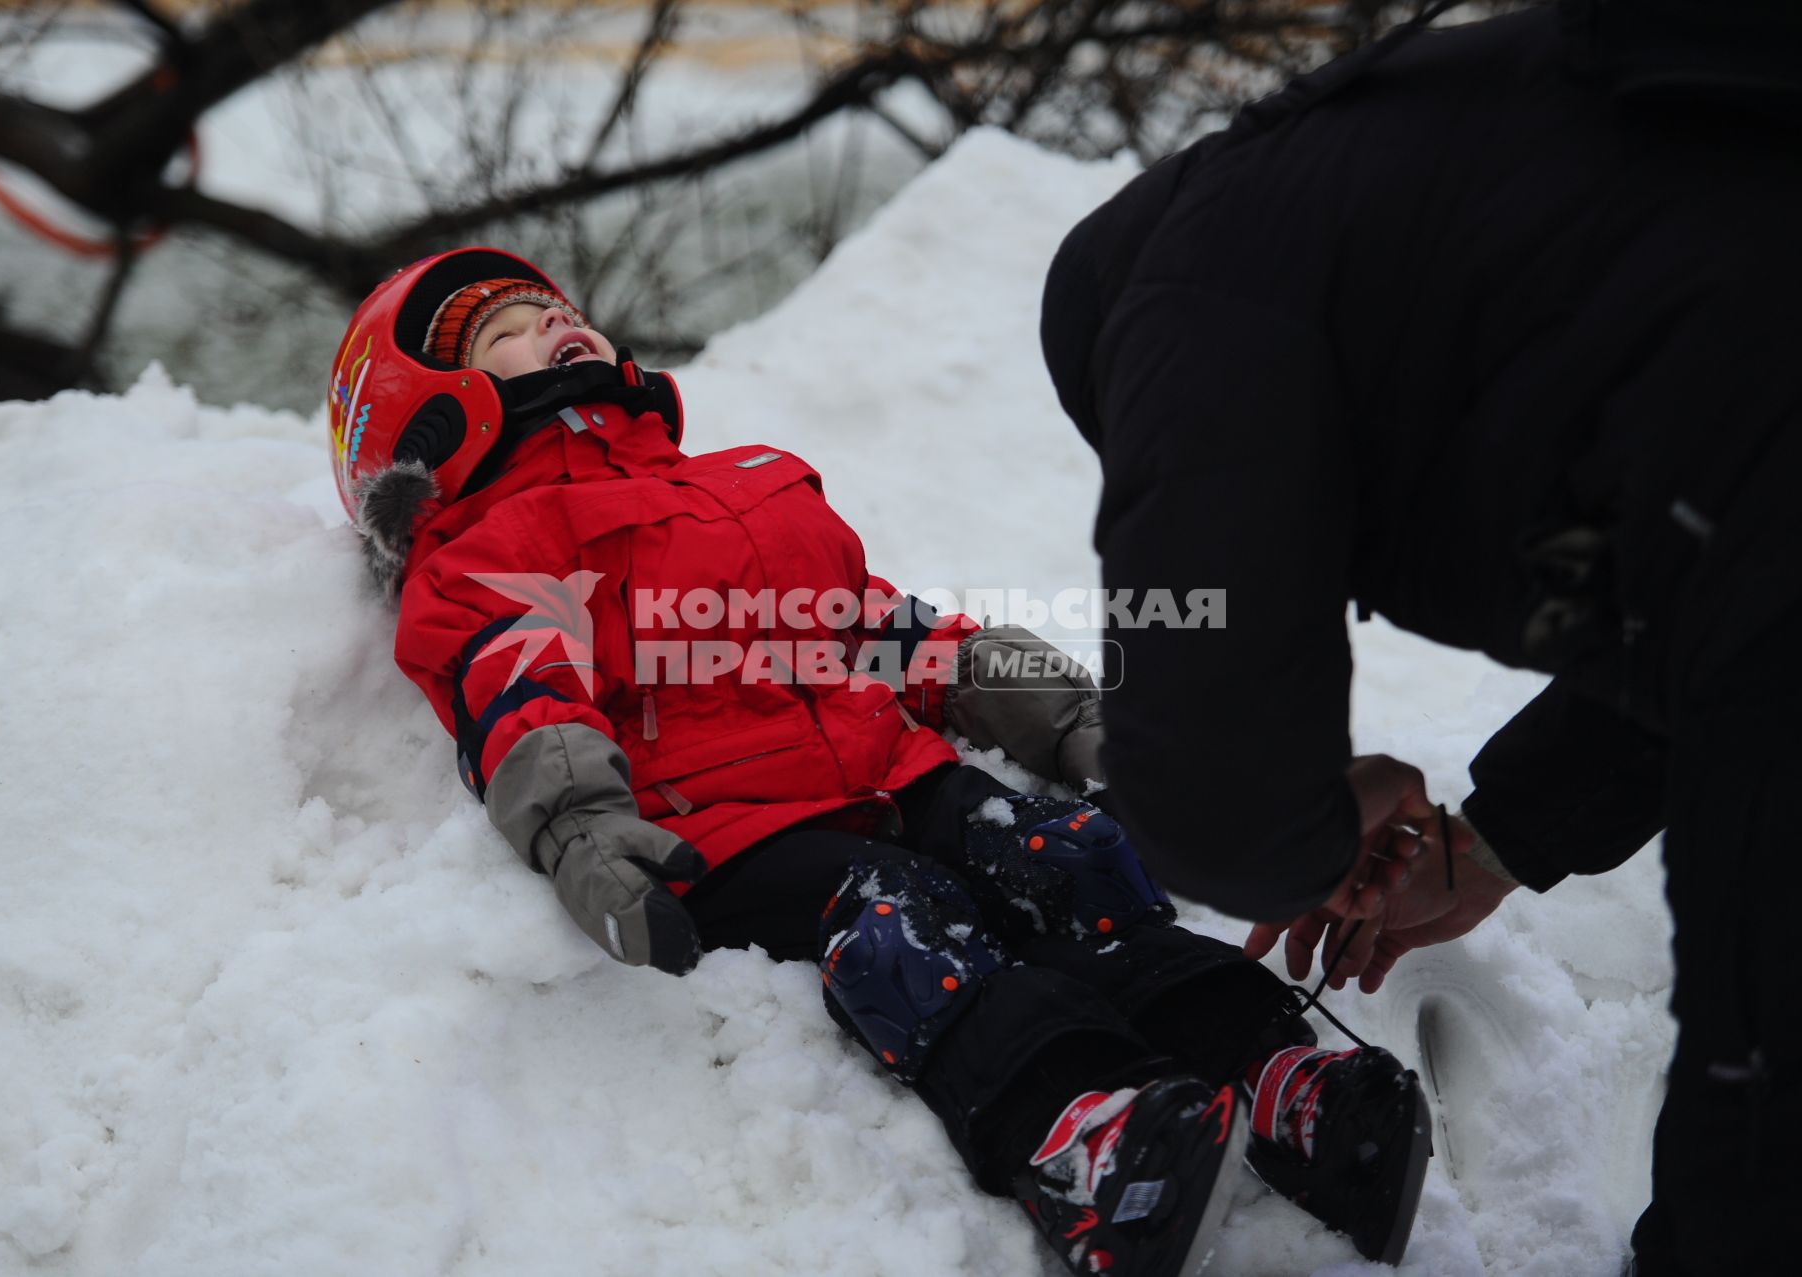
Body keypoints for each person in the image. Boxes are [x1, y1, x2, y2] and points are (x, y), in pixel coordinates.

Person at [328, 248, 1435, 1275]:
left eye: (561, 308)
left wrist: (1050, 710)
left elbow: (875, 624)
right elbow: (519, 690)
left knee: (1073, 857)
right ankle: (1078, 1131)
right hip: (737, 823)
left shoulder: (740, 481)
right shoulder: (495, 547)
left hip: (891, 768)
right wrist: (580, 829)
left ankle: (1279, 1075)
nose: (560, 324)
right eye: (512, 330)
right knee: (906, 927)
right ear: (426, 418)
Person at [1039, 2, 1802, 1273]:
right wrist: (1503, 837)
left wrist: (1322, 827)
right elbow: (1704, 576)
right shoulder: (1412, 201)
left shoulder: (1191, 294)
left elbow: (1209, 774)